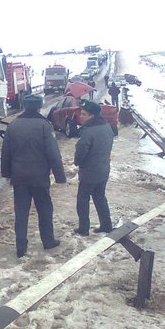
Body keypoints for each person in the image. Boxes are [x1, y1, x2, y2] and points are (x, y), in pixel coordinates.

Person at [1, 94, 66, 258]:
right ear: (39, 107)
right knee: (45, 209)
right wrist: (60, 177)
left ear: (24, 106)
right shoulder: (45, 125)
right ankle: (48, 241)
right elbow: (53, 153)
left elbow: (5, 153)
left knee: (21, 212)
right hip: (39, 178)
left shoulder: (13, 125)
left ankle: (20, 247)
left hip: (19, 178)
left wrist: (7, 173)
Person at [73, 101, 114, 236]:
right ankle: (106, 225)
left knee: (82, 200)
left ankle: (83, 229)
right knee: (100, 197)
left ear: (92, 116)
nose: (81, 116)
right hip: (103, 170)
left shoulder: (88, 131)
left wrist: (77, 161)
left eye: (84, 114)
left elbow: (81, 151)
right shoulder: (106, 127)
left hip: (90, 172)